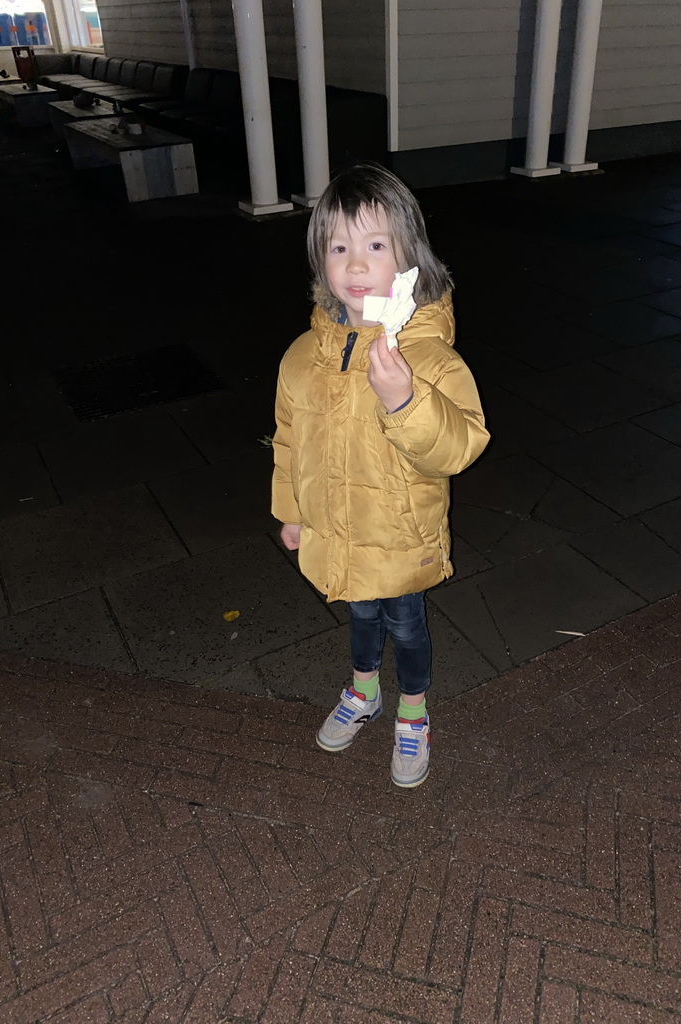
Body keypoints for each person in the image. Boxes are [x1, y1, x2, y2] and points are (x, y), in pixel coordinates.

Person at [272, 161, 489, 788]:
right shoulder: (301, 356)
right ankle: (364, 690)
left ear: (407, 257)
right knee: (358, 614)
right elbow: (289, 439)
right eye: (339, 247)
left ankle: (413, 713)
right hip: (337, 528)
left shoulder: (426, 356)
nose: (357, 265)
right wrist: (292, 509)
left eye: (375, 245)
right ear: (321, 261)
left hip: (399, 533)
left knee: (404, 622)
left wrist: (404, 400)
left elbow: (459, 446)